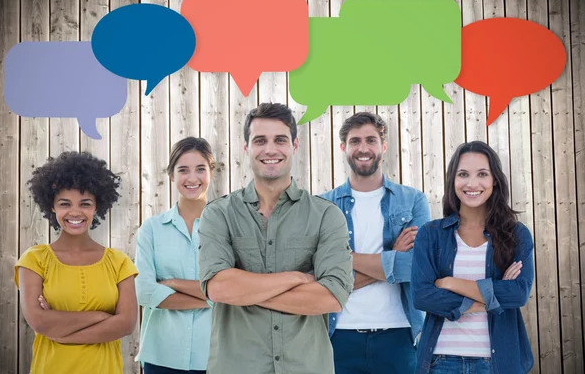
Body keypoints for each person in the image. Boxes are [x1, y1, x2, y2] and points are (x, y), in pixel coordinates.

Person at [198, 102, 354, 374]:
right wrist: (296, 278)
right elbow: (219, 288)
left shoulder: (326, 215)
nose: (270, 149)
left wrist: (244, 290)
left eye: (279, 140)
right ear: (247, 148)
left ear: (294, 145)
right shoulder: (218, 214)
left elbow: (331, 296)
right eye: (260, 140)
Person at [321, 112, 431, 373]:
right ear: (343, 148)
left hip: (399, 335)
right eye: (355, 141)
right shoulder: (323, 205)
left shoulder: (413, 200)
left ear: (383, 146)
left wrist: (345, 258)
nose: (363, 148)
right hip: (338, 336)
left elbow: (417, 267)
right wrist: (393, 254)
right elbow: (321, 275)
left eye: (371, 140)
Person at [412, 141, 534, 374]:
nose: (472, 183)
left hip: (497, 363)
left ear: (494, 180)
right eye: (463, 174)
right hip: (440, 361)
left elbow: (518, 293)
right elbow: (422, 296)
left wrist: (450, 283)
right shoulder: (431, 234)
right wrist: (488, 300)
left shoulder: (517, 235)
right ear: (453, 181)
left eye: (482, 174)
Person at [14, 151, 138, 374]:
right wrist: (101, 317)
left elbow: (127, 324)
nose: (75, 212)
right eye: (65, 203)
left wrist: (61, 334)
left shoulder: (119, 262)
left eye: (85, 203)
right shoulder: (34, 260)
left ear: (96, 207)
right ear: (52, 206)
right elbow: (39, 322)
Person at [134, 137, 214, 374]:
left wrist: (172, 284)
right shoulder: (152, 229)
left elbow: (235, 291)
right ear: (171, 175)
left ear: (211, 172)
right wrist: (211, 299)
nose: (192, 178)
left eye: (200, 169)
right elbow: (144, 291)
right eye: (183, 170)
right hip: (161, 356)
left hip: (214, 355)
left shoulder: (227, 229)